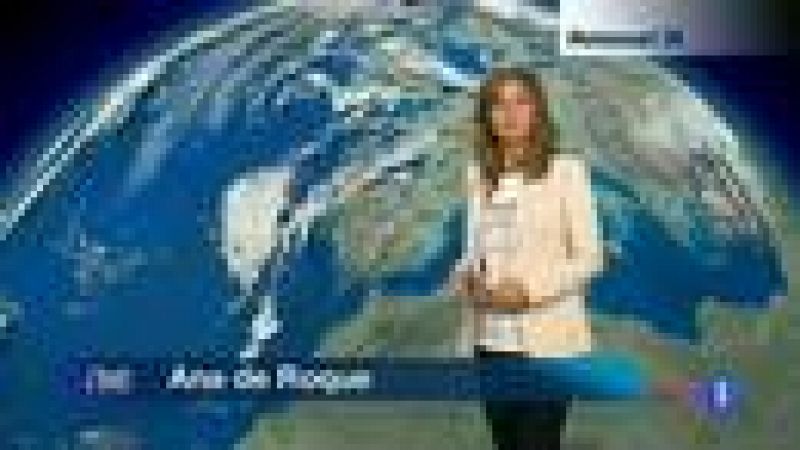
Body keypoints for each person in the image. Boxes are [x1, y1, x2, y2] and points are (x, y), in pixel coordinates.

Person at [447, 67, 604, 450]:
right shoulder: (478, 175)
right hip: (490, 345)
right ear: (486, 116)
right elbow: (473, 251)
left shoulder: (566, 172)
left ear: (538, 110)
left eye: (521, 102)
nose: (510, 114)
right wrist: (464, 275)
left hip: (548, 347)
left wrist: (527, 292)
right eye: (498, 105)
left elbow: (590, 258)